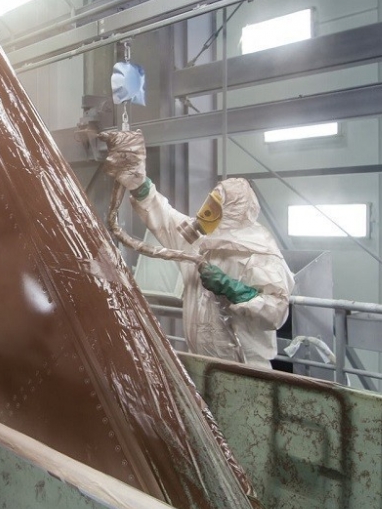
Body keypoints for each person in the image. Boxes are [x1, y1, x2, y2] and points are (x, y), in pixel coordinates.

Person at [100, 130, 294, 368]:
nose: (205, 210)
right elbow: (166, 218)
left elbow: (277, 312)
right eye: (209, 201)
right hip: (201, 362)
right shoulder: (201, 241)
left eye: (214, 206)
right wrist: (138, 182)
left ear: (231, 211)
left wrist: (233, 289)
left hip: (246, 369)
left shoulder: (258, 253)